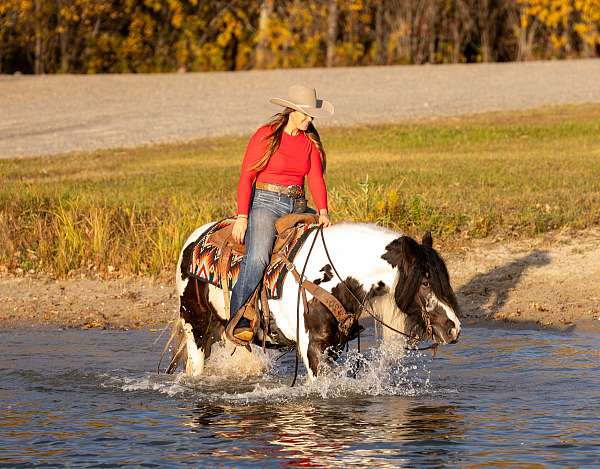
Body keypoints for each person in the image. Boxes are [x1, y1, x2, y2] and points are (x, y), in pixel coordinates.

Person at [229, 85, 334, 341]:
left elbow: (316, 179)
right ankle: (239, 317)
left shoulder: (309, 142)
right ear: (292, 111)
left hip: (297, 205)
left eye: (312, 116)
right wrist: (243, 216)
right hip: (265, 202)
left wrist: (323, 211)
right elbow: (247, 176)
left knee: (321, 249)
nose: (309, 120)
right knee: (258, 257)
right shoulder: (266, 136)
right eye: (305, 115)